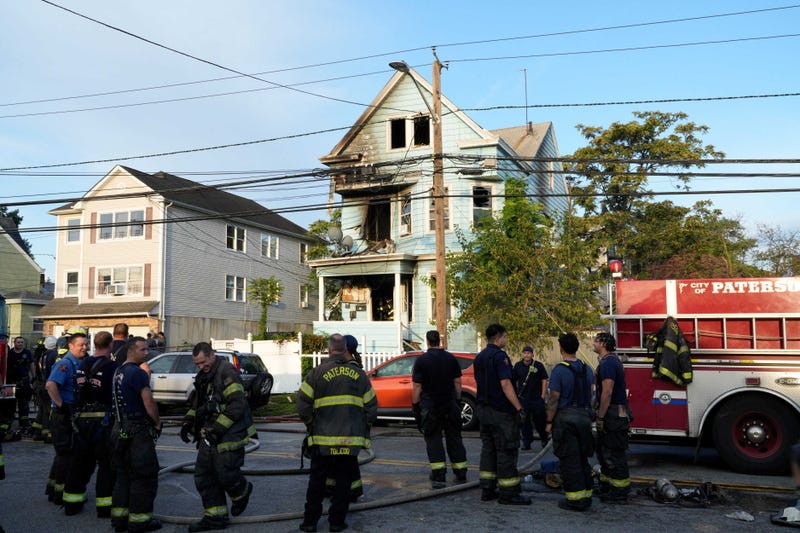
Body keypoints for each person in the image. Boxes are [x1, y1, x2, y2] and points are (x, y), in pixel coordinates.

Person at [297, 334, 378, 532]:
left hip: (322, 440)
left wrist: (310, 423)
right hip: (349, 441)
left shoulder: (316, 373)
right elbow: (371, 408)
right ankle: (336, 522)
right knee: (343, 483)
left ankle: (310, 523)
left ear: (329, 350)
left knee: (317, 482)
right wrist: (362, 426)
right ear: (345, 350)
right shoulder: (359, 375)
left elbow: (302, 404)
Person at [180, 342, 256, 532]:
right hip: (209, 433)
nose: (201, 367)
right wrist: (188, 422)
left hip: (229, 433)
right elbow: (198, 404)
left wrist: (217, 430)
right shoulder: (204, 375)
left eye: (203, 362)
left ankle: (242, 492)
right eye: (197, 364)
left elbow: (236, 405)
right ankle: (216, 517)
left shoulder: (227, 372)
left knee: (225, 473)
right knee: (204, 475)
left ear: (212, 355)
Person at [62, 331, 118, 517]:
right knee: (106, 466)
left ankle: (72, 505)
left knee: (80, 464)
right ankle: (104, 508)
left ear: (94, 344)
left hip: (81, 422)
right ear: (110, 345)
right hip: (103, 423)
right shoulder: (113, 367)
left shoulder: (82, 364)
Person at [473, 324, 530, 505]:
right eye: (504, 337)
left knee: (488, 450)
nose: (506, 339)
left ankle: (487, 489)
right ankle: (508, 493)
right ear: (498, 338)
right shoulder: (500, 357)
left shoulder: (479, 357)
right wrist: (519, 408)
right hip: (500, 412)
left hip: (483, 410)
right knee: (506, 451)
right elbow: (506, 384)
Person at [110, 337, 162, 533]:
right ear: (130, 351)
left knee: (123, 476)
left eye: (147, 349)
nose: (146, 353)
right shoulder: (138, 373)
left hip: (118, 430)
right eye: (143, 350)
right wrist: (157, 422)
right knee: (144, 476)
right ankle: (140, 522)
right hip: (137, 432)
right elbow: (149, 402)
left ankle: (119, 520)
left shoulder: (118, 371)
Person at [412, 329, 468, 485]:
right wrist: (458, 401)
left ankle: (439, 474)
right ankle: (461, 472)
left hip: (431, 406)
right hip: (450, 404)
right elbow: (457, 383)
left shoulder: (422, 361)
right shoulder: (451, 358)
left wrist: (415, 405)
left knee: (434, 439)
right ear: (439, 341)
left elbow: (417, 386)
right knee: (454, 438)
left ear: (427, 341)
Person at [546, 333, 595, 511]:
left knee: (570, 461)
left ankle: (575, 500)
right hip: (584, 418)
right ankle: (587, 496)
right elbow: (592, 392)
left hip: (566, 419)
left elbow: (554, 398)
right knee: (583, 459)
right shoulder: (587, 369)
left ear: (561, 349)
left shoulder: (559, 370)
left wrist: (549, 421)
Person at [45, 327, 89, 506]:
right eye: (81, 345)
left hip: (71, 413)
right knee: (66, 455)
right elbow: (50, 385)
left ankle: (53, 489)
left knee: (63, 454)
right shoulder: (65, 364)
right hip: (62, 416)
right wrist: (61, 405)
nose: (84, 347)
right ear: (70, 346)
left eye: (86, 344)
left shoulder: (79, 363)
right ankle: (60, 494)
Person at [323, 334, 365, 502]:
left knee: (343, 459)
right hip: (349, 424)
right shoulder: (353, 368)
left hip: (343, 424)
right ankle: (341, 488)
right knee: (343, 459)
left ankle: (346, 491)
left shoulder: (348, 370)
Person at [593, 331, 631, 503]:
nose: (593, 343)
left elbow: (607, 392)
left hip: (613, 415)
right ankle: (608, 487)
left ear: (603, 343)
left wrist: (600, 417)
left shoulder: (608, 363)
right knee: (605, 452)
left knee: (614, 454)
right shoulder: (611, 361)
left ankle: (620, 492)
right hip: (615, 414)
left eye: (596, 341)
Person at [513, 345, 549, 450]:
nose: (526, 355)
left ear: (532, 354)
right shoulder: (518, 366)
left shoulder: (538, 365)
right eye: (524, 353)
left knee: (540, 421)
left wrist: (543, 396)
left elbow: (544, 380)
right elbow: (513, 380)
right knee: (525, 422)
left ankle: (544, 438)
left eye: (528, 353)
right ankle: (526, 442)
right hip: (523, 399)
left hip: (537, 399)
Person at [31, 336, 57, 441]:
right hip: (48, 385)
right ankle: (47, 434)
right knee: (48, 411)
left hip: (42, 384)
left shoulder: (43, 355)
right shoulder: (54, 355)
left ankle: (37, 432)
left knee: (42, 409)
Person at [7, 337, 34, 433]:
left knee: (24, 404)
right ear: (14, 343)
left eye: (22, 342)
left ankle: (23, 424)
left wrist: (33, 377)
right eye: (18, 342)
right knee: (10, 404)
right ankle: (8, 423)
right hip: (11, 382)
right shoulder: (9, 353)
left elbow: (31, 365)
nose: (20, 344)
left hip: (23, 382)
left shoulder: (27, 352)